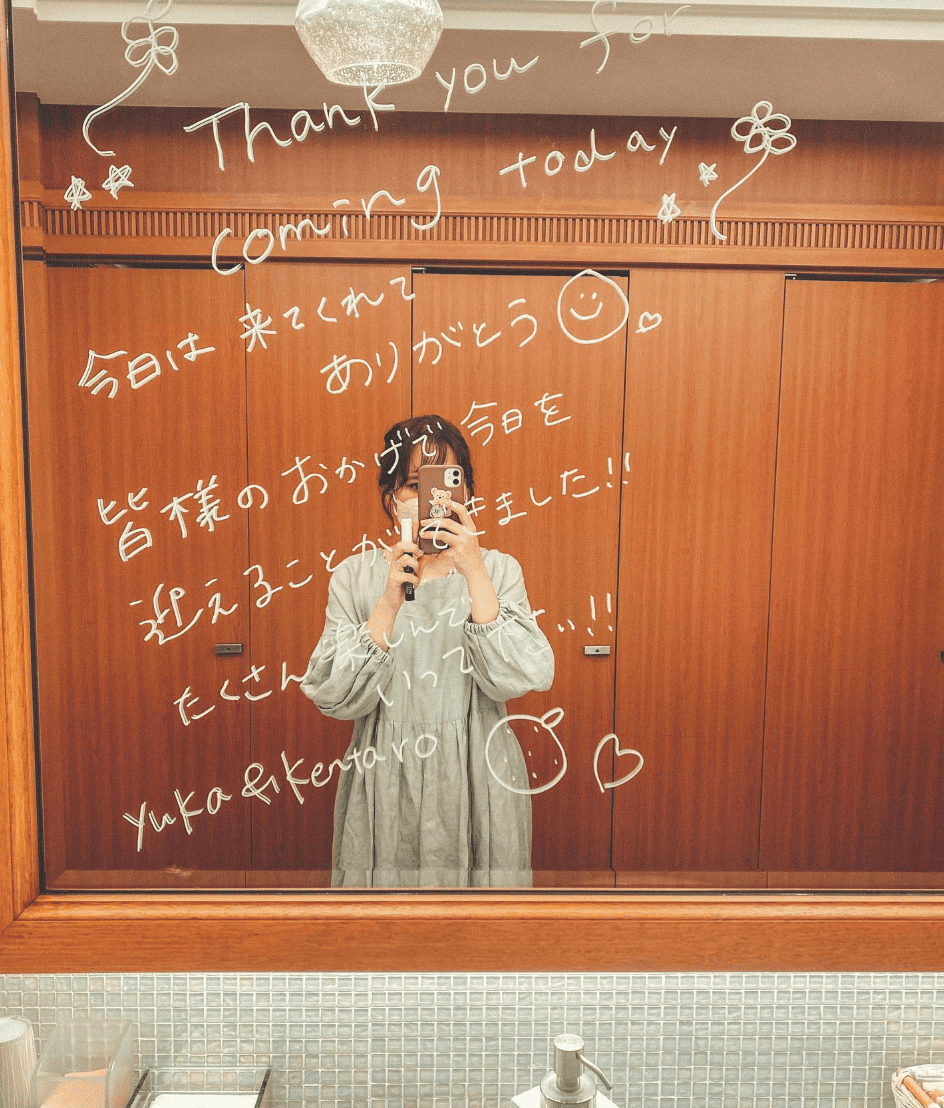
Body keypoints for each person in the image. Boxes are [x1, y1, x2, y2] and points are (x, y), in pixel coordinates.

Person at [301, 414, 554, 887]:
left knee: (480, 924)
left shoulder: (498, 571)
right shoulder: (355, 577)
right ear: (390, 498)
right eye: (414, 486)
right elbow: (332, 695)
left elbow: (523, 677)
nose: (430, 500)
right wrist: (387, 602)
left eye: (446, 483)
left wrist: (473, 570)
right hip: (384, 777)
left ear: (467, 494)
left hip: (480, 776)